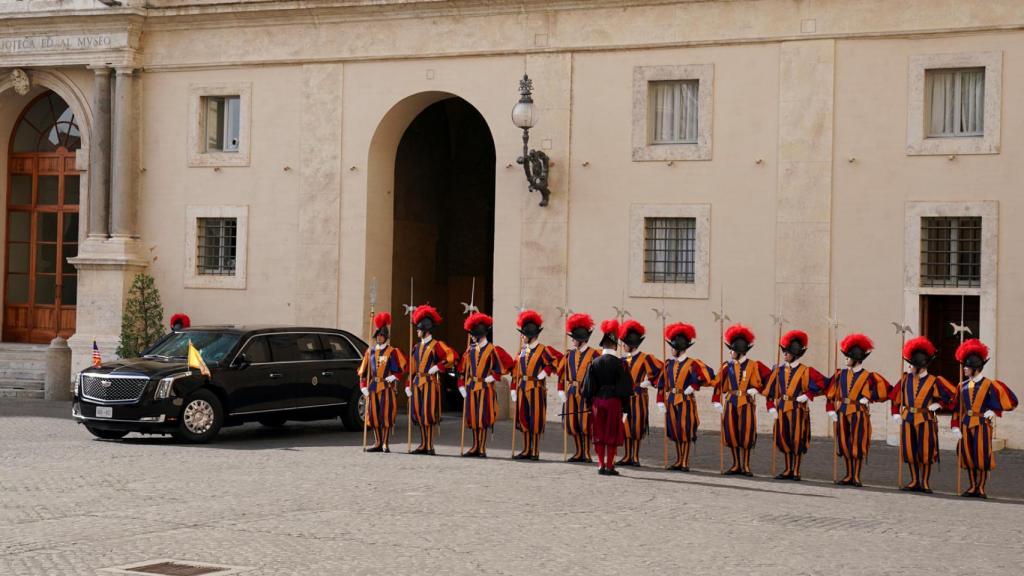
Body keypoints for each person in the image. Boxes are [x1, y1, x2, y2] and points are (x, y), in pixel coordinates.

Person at [951, 339, 1018, 498]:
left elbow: (1010, 401)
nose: (964, 369)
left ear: (975, 368)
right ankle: (972, 486)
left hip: (982, 425)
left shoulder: (990, 385)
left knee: (981, 456)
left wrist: (994, 411)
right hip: (966, 424)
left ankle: (981, 488)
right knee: (968, 457)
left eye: (966, 367)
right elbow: (956, 408)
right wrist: (955, 425)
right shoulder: (962, 386)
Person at [890, 336, 956, 493]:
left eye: (912, 364)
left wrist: (939, 404)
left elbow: (954, 396)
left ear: (920, 366)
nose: (909, 367)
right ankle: (914, 480)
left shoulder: (935, 381)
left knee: (925, 452)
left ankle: (925, 482)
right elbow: (895, 397)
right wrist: (895, 414)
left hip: (926, 419)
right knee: (910, 451)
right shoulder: (905, 380)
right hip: (908, 418)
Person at [823, 333, 890, 487]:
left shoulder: (869, 376)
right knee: (844, 443)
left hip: (859, 413)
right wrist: (831, 410)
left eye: (848, 357)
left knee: (858, 443)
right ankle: (848, 474)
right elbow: (830, 391)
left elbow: (886, 390)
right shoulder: (841, 374)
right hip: (843, 410)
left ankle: (857, 476)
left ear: (856, 358)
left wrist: (869, 397)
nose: (845, 359)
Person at [763, 330, 826, 481]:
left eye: (788, 352)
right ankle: (787, 469)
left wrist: (808, 395)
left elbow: (823, 384)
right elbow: (770, 391)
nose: (785, 354)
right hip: (782, 407)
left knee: (797, 440)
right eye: (784, 352)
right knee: (784, 438)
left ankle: (796, 470)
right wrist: (771, 406)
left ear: (795, 354)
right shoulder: (778, 371)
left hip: (798, 409)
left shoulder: (806, 371)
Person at [712, 324, 771, 476]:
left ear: (739, 351)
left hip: (746, 403)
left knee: (746, 434)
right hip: (731, 401)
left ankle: (746, 465)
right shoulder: (727, 365)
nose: (730, 352)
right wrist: (716, 400)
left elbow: (770, 379)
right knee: (731, 433)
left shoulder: (753, 365)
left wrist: (757, 389)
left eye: (732, 349)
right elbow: (718, 382)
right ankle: (736, 464)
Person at [655, 322, 713, 471]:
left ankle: (685, 461)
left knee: (685, 431)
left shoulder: (692, 364)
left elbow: (707, 376)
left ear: (678, 349)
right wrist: (660, 401)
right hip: (672, 400)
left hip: (686, 401)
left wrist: (693, 386)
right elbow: (662, 383)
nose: (671, 350)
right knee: (674, 431)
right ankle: (678, 459)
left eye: (672, 347)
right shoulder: (668, 364)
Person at [581, 319, 633, 476]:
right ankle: (610, 466)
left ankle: (600, 465)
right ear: (615, 346)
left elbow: (588, 387)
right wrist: (625, 409)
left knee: (599, 433)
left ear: (602, 346)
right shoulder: (620, 364)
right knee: (611, 433)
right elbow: (625, 389)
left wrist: (589, 405)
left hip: (597, 402)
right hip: (613, 402)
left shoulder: (594, 362)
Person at [458, 312, 513, 457]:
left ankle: (481, 447)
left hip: (484, 388)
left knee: (482, 417)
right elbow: (462, 369)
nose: (471, 336)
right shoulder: (470, 350)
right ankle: (475, 445)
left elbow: (504, 366)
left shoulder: (493, 350)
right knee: (473, 418)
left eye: (472, 334)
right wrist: (461, 385)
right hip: (471, 387)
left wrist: (493, 377)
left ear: (478, 334)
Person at [510, 310, 562, 460]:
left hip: (536, 388)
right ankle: (526, 449)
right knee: (524, 418)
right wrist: (514, 387)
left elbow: (554, 362)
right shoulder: (522, 350)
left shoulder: (542, 349)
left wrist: (544, 373)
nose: (522, 337)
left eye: (524, 334)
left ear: (531, 335)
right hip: (523, 386)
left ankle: (535, 450)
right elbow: (515, 369)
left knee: (536, 419)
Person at [407, 305, 456, 455]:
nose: (417, 331)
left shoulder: (437, 345)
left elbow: (451, 357)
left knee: (428, 413)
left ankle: (429, 445)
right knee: (418, 414)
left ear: (426, 330)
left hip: (429, 382)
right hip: (417, 382)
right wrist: (408, 384)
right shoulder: (416, 347)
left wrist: (438, 367)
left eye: (419, 329)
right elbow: (412, 367)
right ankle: (422, 443)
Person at [358, 312, 407, 453]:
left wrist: (394, 377)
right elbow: (363, 371)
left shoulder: (392, 351)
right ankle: (377, 442)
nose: (379, 337)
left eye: (381, 335)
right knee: (373, 416)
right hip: (373, 387)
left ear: (386, 336)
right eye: (377, 335)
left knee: (386, 415)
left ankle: (385, 443)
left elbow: (401, 368)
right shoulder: (370, 352)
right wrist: (363, 387)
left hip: (386, 387)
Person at [618, 320, 663, 467]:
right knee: (625, 426)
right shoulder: (623, 359)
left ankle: (635, 456)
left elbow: (660, 371)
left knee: (636, 427)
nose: (622, 346)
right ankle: (626, 456)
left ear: (631, 344)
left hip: (638, 397)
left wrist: (648, 382)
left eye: (624, 343)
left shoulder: (645, 358)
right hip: (624, 396)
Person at [558, 313, 600, 462]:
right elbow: (561, 373)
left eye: (574, 338)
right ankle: (578, 452)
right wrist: (560, 389)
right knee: (572, 422)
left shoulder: (594, 355)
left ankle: (586, 453)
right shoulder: (568, 355)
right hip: (571, 391)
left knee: (585, 423)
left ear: (581, 340)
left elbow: (598, 376)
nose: (572, 340)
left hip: (586, 392)